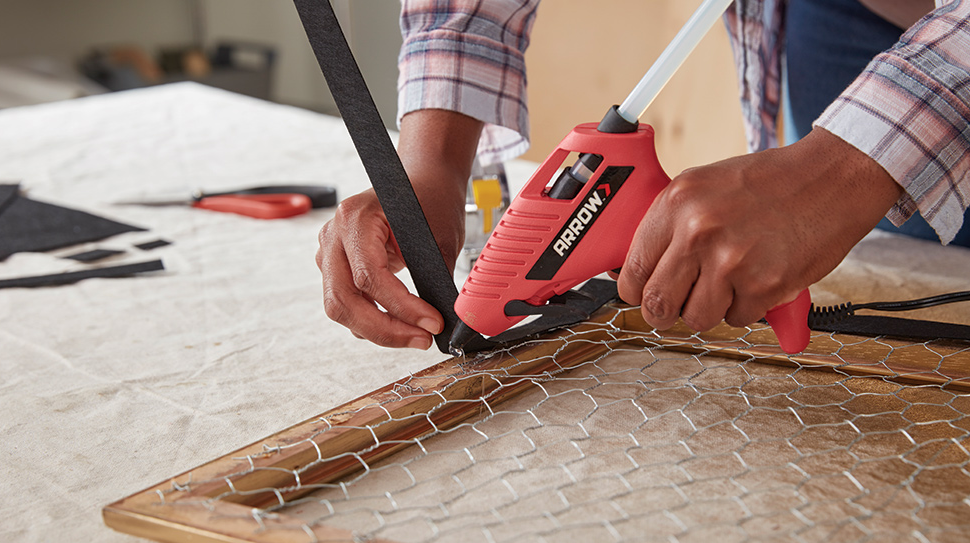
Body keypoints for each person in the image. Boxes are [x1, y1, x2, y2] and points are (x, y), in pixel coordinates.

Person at [316, 0, 970, 350]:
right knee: (893, 263)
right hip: (842, 17)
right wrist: (429, 166)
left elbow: (829, 185)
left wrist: (841, 168)